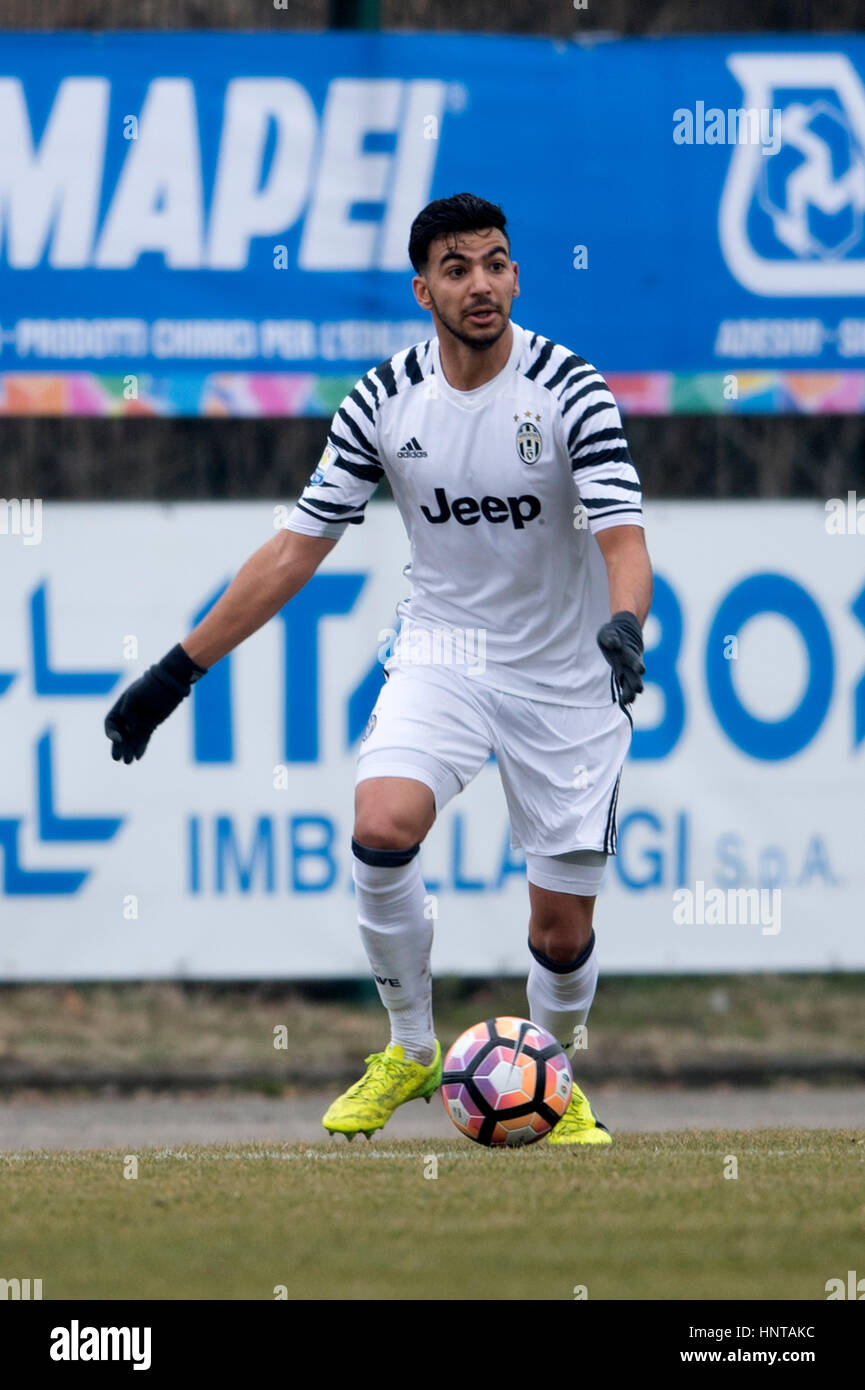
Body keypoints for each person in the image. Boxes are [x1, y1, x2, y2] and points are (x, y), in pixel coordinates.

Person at [105, 192, 652, 1146]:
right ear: (422, 289)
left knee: (560, 935)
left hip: (567, 676)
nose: (479, 284)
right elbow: (292, 553)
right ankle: (407, 1047)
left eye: (495, 262)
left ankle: (551, 1083)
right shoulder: (382, 399)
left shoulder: (570, 389)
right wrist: (173, 673)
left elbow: (622, 537)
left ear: (516, 274)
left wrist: (623, 627)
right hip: (441, 651)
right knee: (381, 822)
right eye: (456, 268)